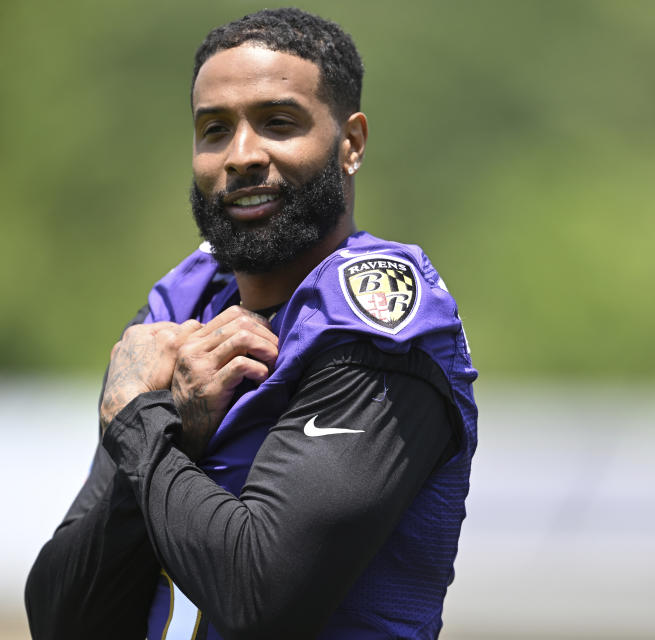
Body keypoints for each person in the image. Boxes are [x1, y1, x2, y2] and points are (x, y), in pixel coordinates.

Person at [24, 8, 478, 640]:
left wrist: (138, 424)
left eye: (277, 122)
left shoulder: (378, 316)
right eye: (214, 130)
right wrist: (170, 427)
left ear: (351, 143)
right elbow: (62, 620)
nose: (240, 155)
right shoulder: (182, 305)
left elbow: (261, 599)